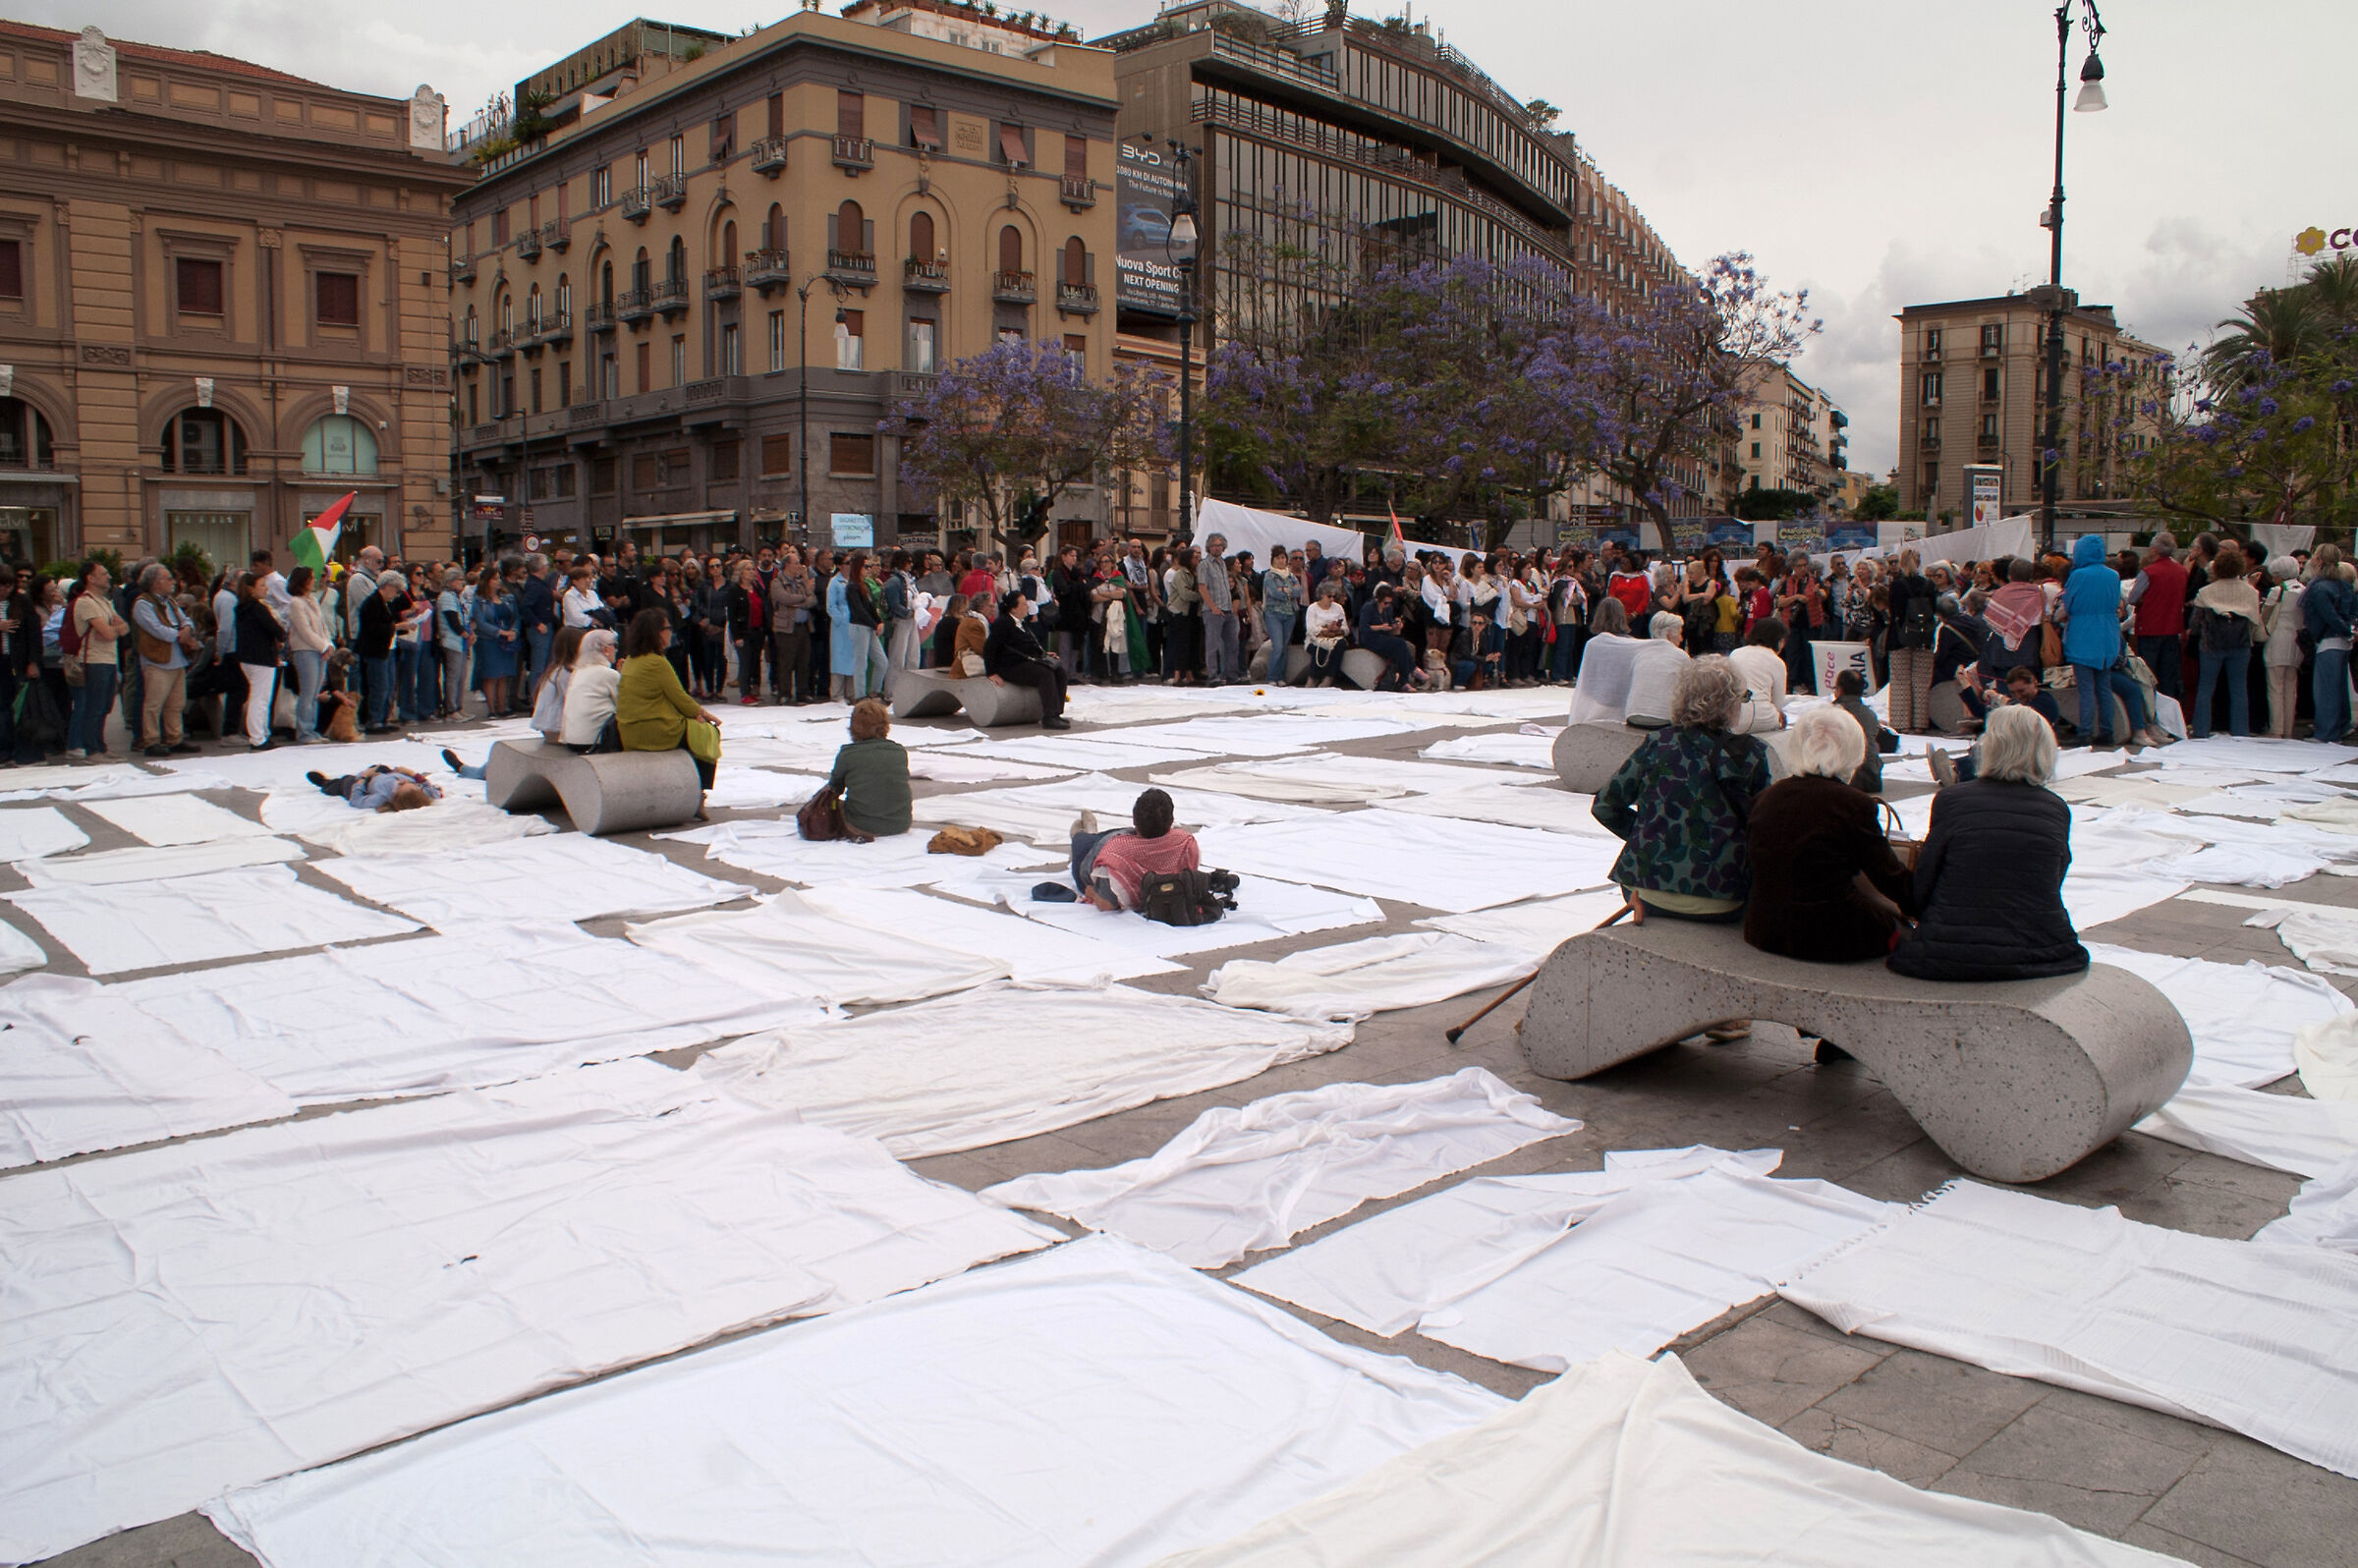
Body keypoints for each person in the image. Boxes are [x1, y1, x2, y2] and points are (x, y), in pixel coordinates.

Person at [1889, 704, 2089, 982]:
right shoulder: (2055, 809)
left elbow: (1927, 877)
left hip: (1947, 949)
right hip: (2040, 949)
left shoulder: (1952, 800)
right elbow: (2051, 880)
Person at [1593, 655, 1774, 926]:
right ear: (1731, 702)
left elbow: (1605, 805)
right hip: (1724, 894)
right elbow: (1766, 827)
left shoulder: (1658, 743)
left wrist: (1648, 834)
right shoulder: (1752, 753)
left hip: (1646, 889)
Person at [1744, 706, 1914, 976]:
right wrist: (1925, 907)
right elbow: (1889, 877)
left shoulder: (1767, 797)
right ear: (1852, 750)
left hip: (1764, 928)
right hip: (1829, 936)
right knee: (1899, 929)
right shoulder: (1853, 804)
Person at [2055, 533, 2162, 749]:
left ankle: (2085, 732)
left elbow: (2070, 606)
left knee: (2086, 689)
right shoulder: (2113, 575)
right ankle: (2107, 731)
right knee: (2103, 687)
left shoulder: (2078, 576)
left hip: (2082, 637)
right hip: (2108, 636)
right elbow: (2116, 604)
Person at [615, 608, 721, 812]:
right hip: (654, 731)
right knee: (709, 732)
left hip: (629, 730)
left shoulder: (632, 661)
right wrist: (705, 715)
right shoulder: (656, 662)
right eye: (668, 628)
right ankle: (698, 794)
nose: (671, 632)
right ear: (656, 633)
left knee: (696, 728)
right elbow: (680, 698)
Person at [1070, 787, 1201, 912]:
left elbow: (1106, 905)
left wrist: (1091, 892)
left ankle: (1085, 833)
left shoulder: (1115, 854)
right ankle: (1091, 833)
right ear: (1172, 821)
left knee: (1081, 841)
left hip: (1090, 860)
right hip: (1121, 838)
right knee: (1116, 834)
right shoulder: (1186, 842)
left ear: (1133, 819)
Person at [2188, 542, 2262, 740]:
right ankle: (2240, 730)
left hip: (2211, 645)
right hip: (2240, 643)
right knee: (2239, 687)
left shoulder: (2206, 591)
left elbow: (2196, 622)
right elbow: (2255, 620)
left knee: (2206, 688)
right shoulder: (2251, 592)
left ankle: (2201, 729)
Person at [130, 562, 200, 756]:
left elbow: (186, 619)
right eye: (168, 578)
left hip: (176, 659)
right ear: (155, 582)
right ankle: (151, 740)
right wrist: (180, 635)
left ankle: (174, 737)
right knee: (154, 703)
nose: (172, 582)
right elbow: (156, 629)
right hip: (157, 661)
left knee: (176, 703)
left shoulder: (170, 601)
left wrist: (186, 629)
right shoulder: (143, 604)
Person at [984, 588, 1073, 728]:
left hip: (1026, 662)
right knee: (1045, 673)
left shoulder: (1021, 623)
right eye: (1024, 604)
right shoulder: (1002, 624)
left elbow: (1028, 645)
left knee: (1059, 670)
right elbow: (990, 648)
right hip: (1010, 666)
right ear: (1013, 609)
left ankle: (1056, 712)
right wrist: (991, 672)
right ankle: (1049, 716)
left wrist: (1043, 654)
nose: (1027, 606)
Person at [66, 560, 127, 759]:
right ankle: (92, 749)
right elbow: (108, 633)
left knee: (106, 706)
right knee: (95, 705)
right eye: (103, 573)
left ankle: (100, 746)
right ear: (90, 578)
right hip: (93, 660)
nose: (108, 577)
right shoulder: (86, 602)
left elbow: (123, 628)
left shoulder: (105, 601)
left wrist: (113, 629)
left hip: (109, 659)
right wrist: (112, 630)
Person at [825, 698, 913, 838]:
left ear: (854, 727)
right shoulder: (899, 751)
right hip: (901, 824)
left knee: (834, 806)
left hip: (861, 825)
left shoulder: (848, 754)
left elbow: (834, 789)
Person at [2303, 543, 2356, 744]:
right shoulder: (2345, 585)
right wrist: (2350, 631)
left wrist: (2345, 631)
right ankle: (2341, 725)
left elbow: (2329, 616)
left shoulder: (2319, 587)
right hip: (2342, 640)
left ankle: (2326, 732)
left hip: (2329, 639)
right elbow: (2351, 613)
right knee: (2339, 687)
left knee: (2326, 689)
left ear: (2318, 560)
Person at [1882, 549, 1940, 732]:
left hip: (1900, 635)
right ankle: (1920, 723)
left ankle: (1901, 723)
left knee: (1900, 680)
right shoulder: (1928, 584)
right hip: (1924, 635)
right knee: (1921, 680)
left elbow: (1894, 611)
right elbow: (1933, 608)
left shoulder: (1897, 585)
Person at [233, 571, 287, 750]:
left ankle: (262, 733)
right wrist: (280, 636)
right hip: (261, 657)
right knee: (260, 698)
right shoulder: (258, 608)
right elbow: (274, 628)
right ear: (251, 589)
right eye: (262, 586)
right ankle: (258, 737)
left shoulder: (242, 608)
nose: (266, 589)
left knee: (260, 696)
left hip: (248, 657)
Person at [2261, 555, 2306, 740]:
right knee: (2290, 687)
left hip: (2277, 640)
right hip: (2297, 641)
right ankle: (2288, 729)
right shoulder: (2304, 590)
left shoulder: (2276, 591)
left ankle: (2276, 728)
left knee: (2275, 687)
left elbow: (2264, 616)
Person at [1830, 668, 1895, 793]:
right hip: (1871, 778)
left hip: (1844, 779)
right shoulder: (1870, 714)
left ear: (1840, 690)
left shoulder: (1832, 713)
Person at [470, 568, 521, 725]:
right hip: (489, 641)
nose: (498, 581)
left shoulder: (508, 598)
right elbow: (481, 622)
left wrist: (513, 631)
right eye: (494, 579)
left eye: (499, 578)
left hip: (507, 640)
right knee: (491, 675)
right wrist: (501, 632)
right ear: (487, 581)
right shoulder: (479, 600)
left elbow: (516, 617)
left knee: (504, 675)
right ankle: (492, 709)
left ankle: (502, 707)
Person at [768, 546, 814, 704]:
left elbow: (812, 599)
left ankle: (803, 692)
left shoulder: (801, 582)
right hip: (786, 628)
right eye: (796, 563)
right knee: (786, 662)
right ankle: (784, 692)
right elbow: (784, 598)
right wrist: (802, 600)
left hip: (803, 626)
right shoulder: (777, 582)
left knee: (803, 661)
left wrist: (804, 588)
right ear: (787, 565)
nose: (799, 566)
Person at [1355, 583, 1421, 693]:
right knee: (1400, 644)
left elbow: (1389, 624)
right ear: (1378, 600)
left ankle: (1404, 681)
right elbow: (1363, 628)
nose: (1387, 605)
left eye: (1390, 603)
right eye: (1385, 603)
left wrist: (1395, 625)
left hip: (1384, 638)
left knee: (1406, 647)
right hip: (1370, 638)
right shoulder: (1368, 608)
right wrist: (1380, 627)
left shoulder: (1388, 609)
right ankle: (1412, 670)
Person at [1727, 616, 1788, 733]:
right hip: (1763, 717)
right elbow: (1778, 702)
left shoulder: (1735, 653)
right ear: (1778, 640)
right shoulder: (1777, 662)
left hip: (1732, 716)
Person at [305, 762, 442, 813]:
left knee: (344, 783)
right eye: (408, 783)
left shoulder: (382, 797)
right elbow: (434, 791)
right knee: (382, 767)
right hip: (386, 774)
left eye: (400, 785)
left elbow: (356, 801)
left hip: (365, 783)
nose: (404, 782)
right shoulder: (420, 791)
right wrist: (412, 774)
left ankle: (324, 782)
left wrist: (364, 778)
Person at [1199, 533, 1239, 684]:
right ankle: (1213, 675)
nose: (1217, 548)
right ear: (1209, 547)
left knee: (1232, 644)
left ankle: (1231, 675)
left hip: (1227, 608)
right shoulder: (1204, 564)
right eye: (1214, 545)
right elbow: (1202, 587)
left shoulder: (1222, 563)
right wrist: (1213, 607)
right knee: (1212, 644)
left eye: (1219, 545)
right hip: (1213, 610)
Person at [1303, 579, 1352, 687]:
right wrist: (1326, 629)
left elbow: (1346, 629)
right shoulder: (1312, 608)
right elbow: (1310, 629)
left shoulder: (1338, 608)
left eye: (1334, 597)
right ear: (1321, 595)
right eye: (1329, 596)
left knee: (1340, 644)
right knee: (1320, 647)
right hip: (1315, 638)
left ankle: (1329, 677)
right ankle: (1313, 678)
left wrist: (1337, 629)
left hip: (1334, 637)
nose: (1332, 599)